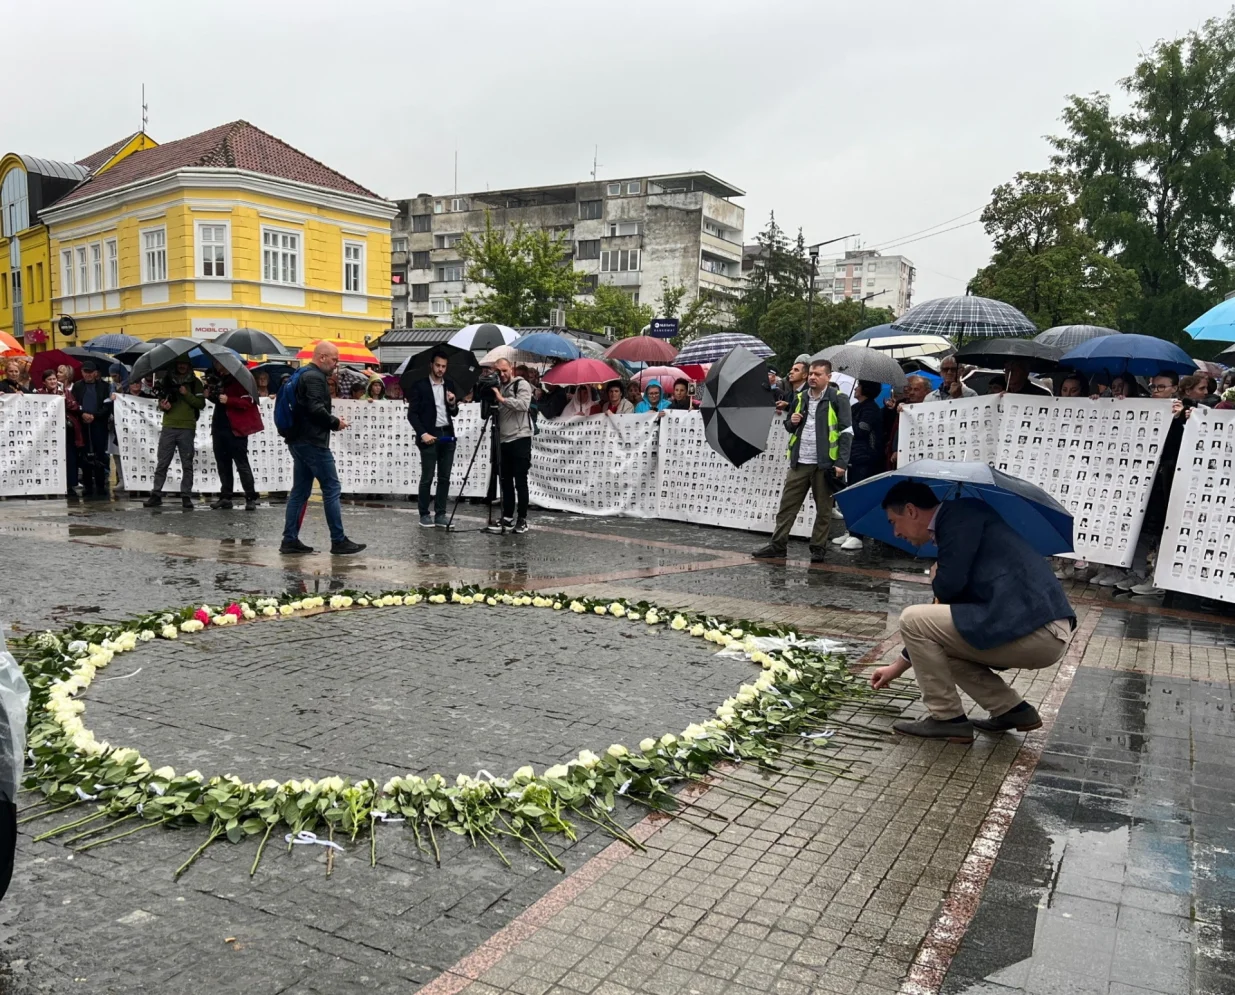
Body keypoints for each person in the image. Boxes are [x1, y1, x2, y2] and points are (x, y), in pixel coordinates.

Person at [870, 481, 1075, 743]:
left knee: (911, 618)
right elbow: (939, 621)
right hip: (1040, 629)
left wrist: (936, 576)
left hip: (1037, 630)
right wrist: (896, 668)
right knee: (938, 644)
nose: (896, 533)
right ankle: (1013, 710)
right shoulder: (961, 520)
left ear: (911, 511)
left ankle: (947, 719)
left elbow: (948, 588)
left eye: (893, 522)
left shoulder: (959, 518)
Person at [752, 359, 852, 564]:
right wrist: (792, 422)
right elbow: (790, 427)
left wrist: (841, 462)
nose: (813, 377)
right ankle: (778, 545)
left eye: (818, 374)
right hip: (800, 461)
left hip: (825, 464)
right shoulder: (800, 397)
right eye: (812, 374)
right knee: (787, 506)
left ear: (828, 377)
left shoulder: (838, 398)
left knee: (824, 509)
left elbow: (846, 432)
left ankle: (818, 548)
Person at [281, 342, 365, 555]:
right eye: (334, 359)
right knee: (332, 488)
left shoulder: (302, 374)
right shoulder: (315, 378)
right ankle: (338, 540)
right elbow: (315, 408)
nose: (336, 365)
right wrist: (336, 422)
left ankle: (289, 540)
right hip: (313, 442)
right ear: (322, 357)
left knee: (300, 492)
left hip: (298, 440)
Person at [406, 348, 459, 528]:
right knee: (427, 476)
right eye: (438, 365)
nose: (440, 369)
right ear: (431, 365)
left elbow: (454, 412)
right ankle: (424, 513)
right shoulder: (420, 385)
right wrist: (423, 433)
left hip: (447, 434)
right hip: (429, 434)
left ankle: (441, 514)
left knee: (445, 477)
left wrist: (452, 403)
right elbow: (412, 415)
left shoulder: (449, 384)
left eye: (444, 366)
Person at [142, 360, 205, 509]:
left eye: (184, 364)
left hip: (187, 427)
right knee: (162, 463)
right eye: (179, 364)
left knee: (187, 464)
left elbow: (200, 404)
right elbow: (160, 401)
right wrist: (163, 406)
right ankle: (156, 494)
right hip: (169, 426)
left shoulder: (196, 383)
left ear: (189, 365)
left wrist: (186, 393)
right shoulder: (166, 380)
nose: (182, 366)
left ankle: (186, 496)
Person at [832, 379, 884, 552]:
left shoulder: (870, 409)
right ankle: (851, 529)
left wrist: (846, 419)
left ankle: (858, 535)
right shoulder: (856, 407)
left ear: (865, 389)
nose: (856, 389)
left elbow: (861, 430)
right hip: (853, 457)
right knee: (851, 494)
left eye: (859, 386)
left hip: (866, 458)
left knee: (860, 496)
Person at [485, 357, 534, 535]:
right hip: (502, 439)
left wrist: (501, 398)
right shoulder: (497, 386)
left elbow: (523, 405)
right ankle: (507, 516)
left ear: (511, 369)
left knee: (520, 481)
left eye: (505, 370)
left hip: (520, 438)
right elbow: (486, 413)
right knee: (505, 481)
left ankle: (522, 518)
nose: (502, 374)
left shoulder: (521, 384)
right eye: (498, 372)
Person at [206, 362, 263, 511]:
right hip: (219, 427)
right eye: (217, 364)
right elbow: (219, 400)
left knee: (241, 463)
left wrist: (229, 400)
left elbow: (248, 402)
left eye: (219, 364)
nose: (218, 366)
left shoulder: (242, 379)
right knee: (223, 464)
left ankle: (250, 497)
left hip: (236, 429)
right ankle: (226, 497)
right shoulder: (219, 379)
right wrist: (211, 396)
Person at [71, 360, 112, 501]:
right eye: (85, 372)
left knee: (100, 455)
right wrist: (82, 414)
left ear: (96, 373)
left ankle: (101, 485)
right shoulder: (77, 386)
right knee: (85, 455)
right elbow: (73, 404)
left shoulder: (105, 387)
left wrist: (95, 416)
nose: (87, 374)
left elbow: (107, 407)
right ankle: (88, 486)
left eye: (90, 372)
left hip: (98, 425)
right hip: (82, 425)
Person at [885, 375, 930, 469]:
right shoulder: (903, 406)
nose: (912, 393)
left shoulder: (933, 407)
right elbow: (897, 430)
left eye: (916, 389)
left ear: (927, 392)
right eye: (910, 389)